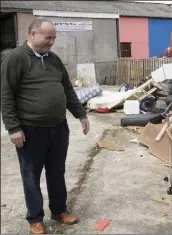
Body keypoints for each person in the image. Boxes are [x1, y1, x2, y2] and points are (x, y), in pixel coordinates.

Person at [1, 17, 90, 234]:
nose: (51, 42)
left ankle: (59, 210)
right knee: (31, 175)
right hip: (30, 130)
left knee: (57, 172)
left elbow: (67, 90)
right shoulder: (15, 59)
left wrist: (81, 114)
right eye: (48, 37)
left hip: (58, 128)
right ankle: (35, 218)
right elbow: (6, 95)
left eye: (54, 38)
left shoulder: (53, 59)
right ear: (32, 35)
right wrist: (13, 127)